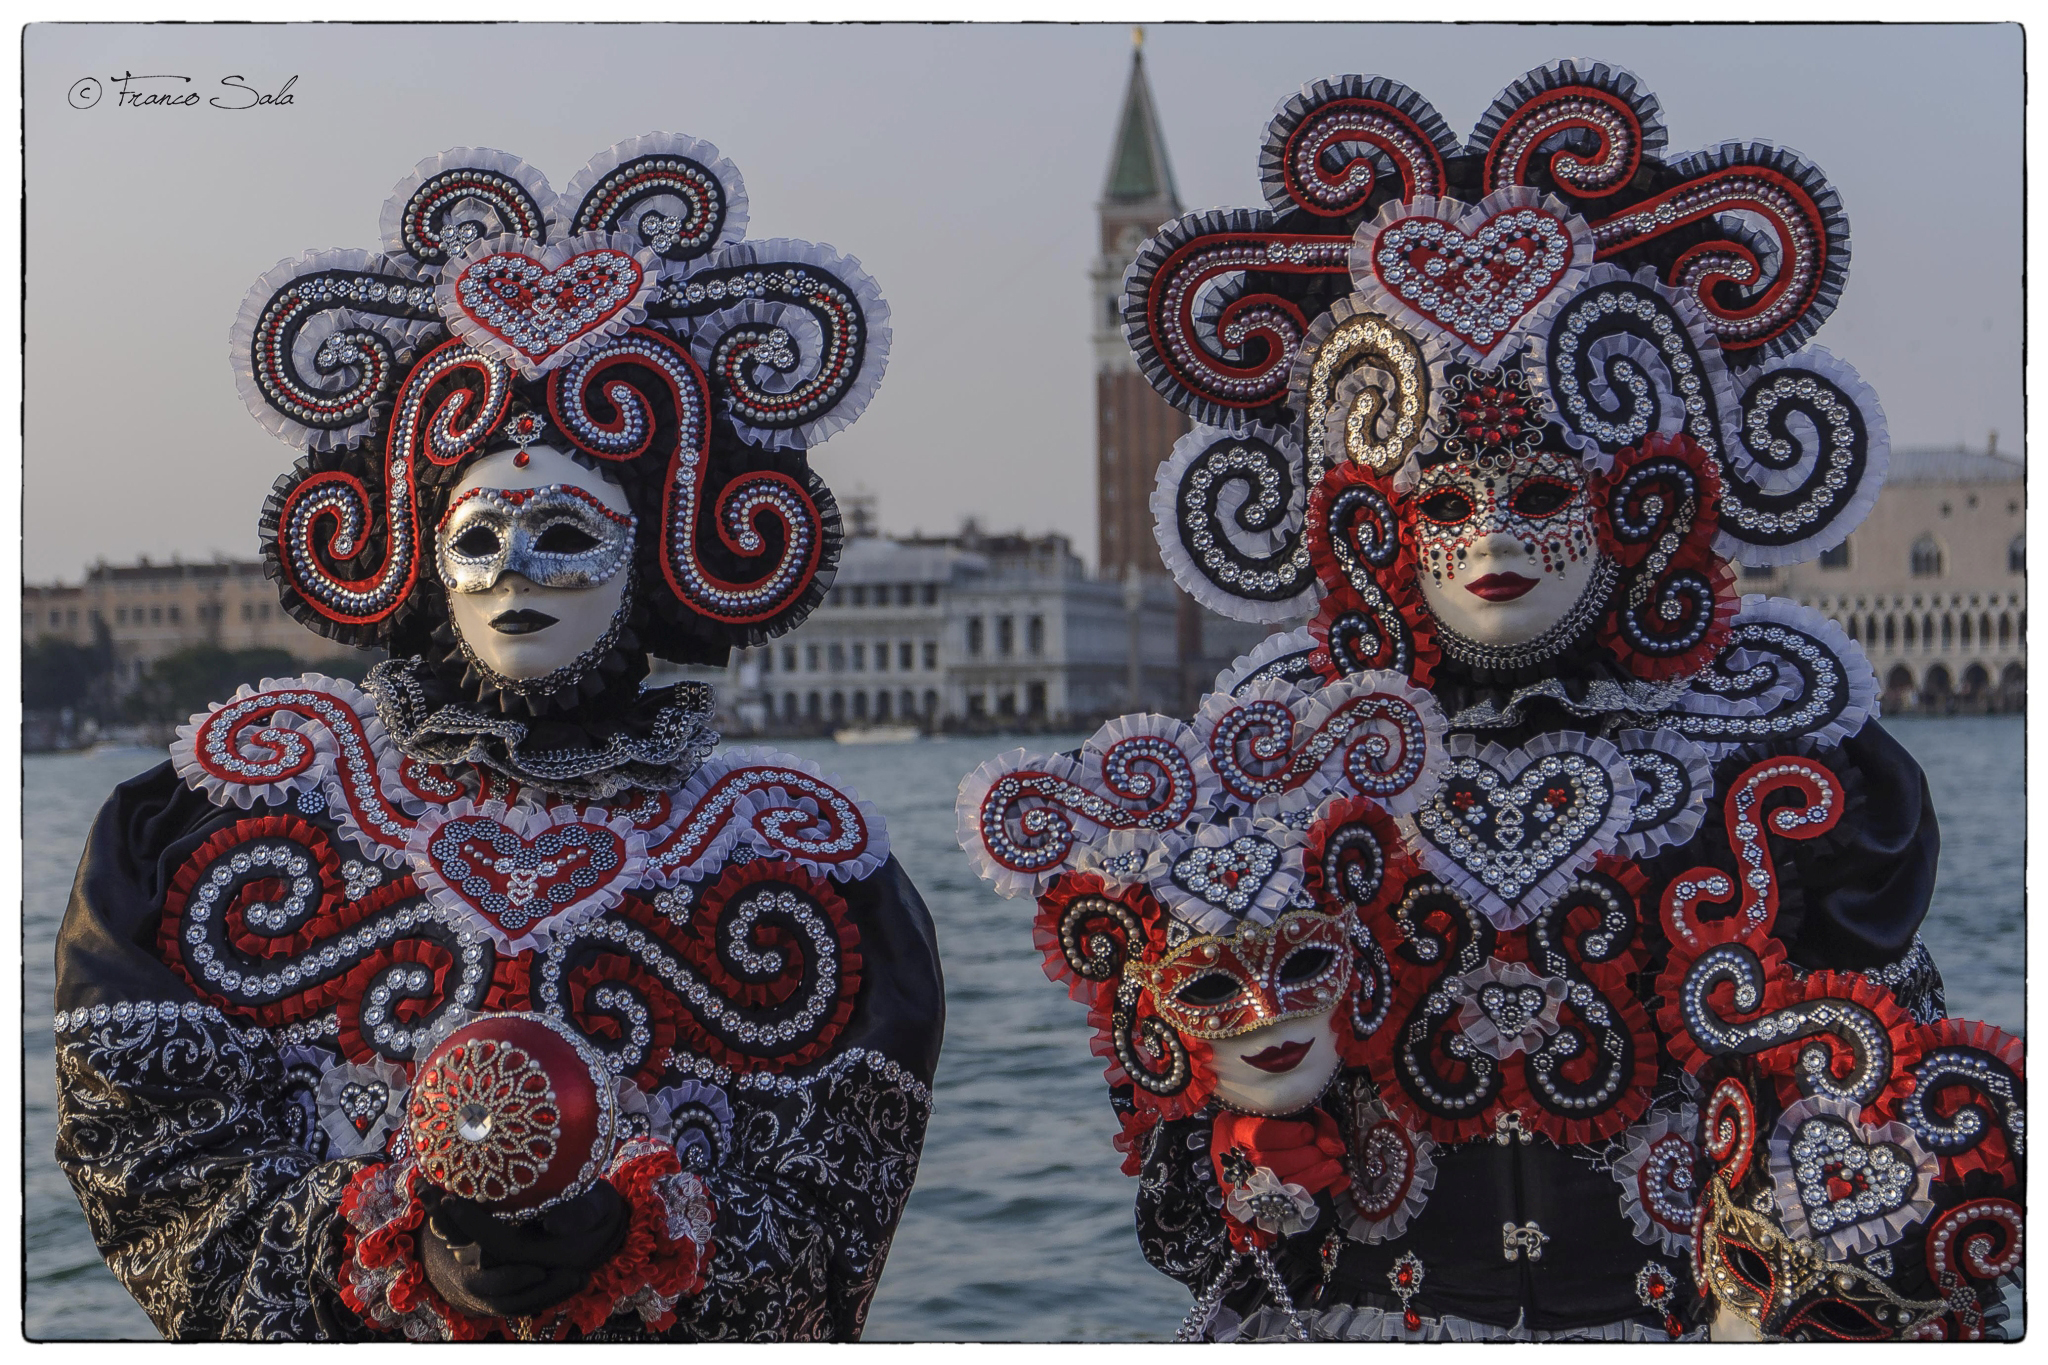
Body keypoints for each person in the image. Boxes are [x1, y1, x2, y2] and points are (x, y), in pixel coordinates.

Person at [957, 58, 2022, 1341]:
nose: (1482, 542)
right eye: (1443, 504)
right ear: (1378, 524)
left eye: (1535, 493)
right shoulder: (1288, 762)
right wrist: (1243, 1134)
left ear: (1633, 496)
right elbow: (1188, 1212)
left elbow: (1891, 1098)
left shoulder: (1780, 760)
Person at [54, 134, 944, 1342]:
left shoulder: (798, 865)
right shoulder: (209, 826)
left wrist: (640, 1238)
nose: (517, 570)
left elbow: (832, 1218)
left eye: (569, 533)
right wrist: (369, 1242)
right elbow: (146, 1162)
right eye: (480, 535)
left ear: (653, 551)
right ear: (422, 552)